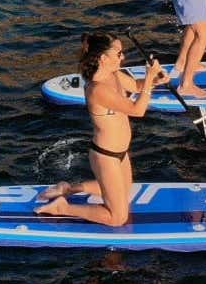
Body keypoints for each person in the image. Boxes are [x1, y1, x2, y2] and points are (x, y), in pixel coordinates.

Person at [37, 32, 166, 226]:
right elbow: (137, 110)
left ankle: (68, 189)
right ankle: (63, 207)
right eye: (119, 53)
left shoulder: (113, 74)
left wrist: (155, 81)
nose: (123, 57)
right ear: (103, 58)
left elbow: (136, 86)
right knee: (118, 218)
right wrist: (149, 77)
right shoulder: (97, 89)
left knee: (125, 190)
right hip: (106, 156)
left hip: (120, 153)